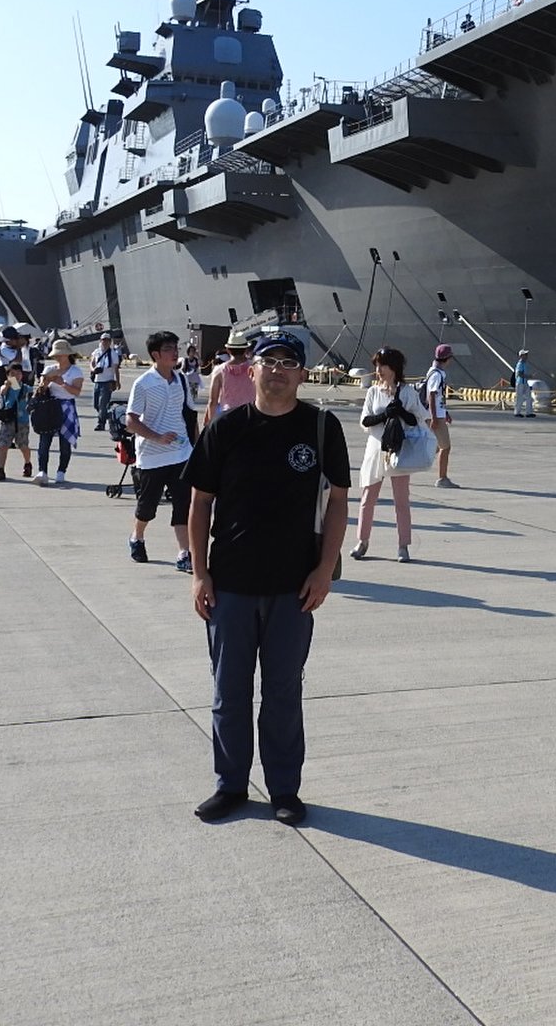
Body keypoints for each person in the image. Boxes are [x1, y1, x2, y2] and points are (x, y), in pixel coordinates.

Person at [183, 331, 349, 825]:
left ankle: (284, 791)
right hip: (230, 584)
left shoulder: (321, 427)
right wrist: (198, 574)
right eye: (267, 361)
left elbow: (339, 501)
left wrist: (324, 571)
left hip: (293, 588)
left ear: (301, 373)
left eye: (288, 362)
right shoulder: (226, 428)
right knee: (228, 691)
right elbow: (199, 503)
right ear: (249, 370)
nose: (277, 369)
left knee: (282, 692)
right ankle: (231, 785)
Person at [124, 330, 194, 568]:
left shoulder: (181, 379)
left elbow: (188, 415)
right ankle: (137, 537)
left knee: (183, 505)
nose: (175, 353)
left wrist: (195, 447)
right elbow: (131, 421)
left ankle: (184, 553)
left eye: (176, 348)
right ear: (155, 354)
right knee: (147, 508)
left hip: (182, 454)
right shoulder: (143, 383)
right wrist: (157, 437)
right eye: (168, 349)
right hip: (152, 457)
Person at [351, 347, 424, 563]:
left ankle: (403, 545)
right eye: (376, 365)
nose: (378, 370)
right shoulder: (373, 392)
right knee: (367, 499)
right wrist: (385, 414)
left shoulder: (408, 392)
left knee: (401, 501)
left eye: (382, 365)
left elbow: (418, 420)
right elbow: (365, 420)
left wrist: (401, 411)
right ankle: (362, 541)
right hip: (375, 449)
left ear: (394, 368)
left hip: (398, 451)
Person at [32, 339, 85, 486]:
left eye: (60, 355)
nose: (58, 358)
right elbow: (39, 391)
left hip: (67, 406)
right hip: (49, 406)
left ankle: (61, 471)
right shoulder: (49, 369)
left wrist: (62, 382)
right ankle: (42, 471)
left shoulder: (75, 371)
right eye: (56, 355)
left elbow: (76, 392)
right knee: (44, 439)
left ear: (68, 355)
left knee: (65, 442)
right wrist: (46, 383)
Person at [0, 362, 33, 481]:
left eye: (18, 373)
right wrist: (8, 384)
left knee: (23, 445)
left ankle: (27, 463)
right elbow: (2, 391)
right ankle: (0, 470)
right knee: (3, 445)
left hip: (22, 420)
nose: (16, 376)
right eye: (12, 374)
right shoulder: (6, 386)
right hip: (8, 420)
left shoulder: (25, 388)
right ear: (7, 375)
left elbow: (33, 393)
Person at [422, 343, 456, 487]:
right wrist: (435, 418)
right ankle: (442, 478)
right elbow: (432, 395)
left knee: (433, 447)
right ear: (447, 358)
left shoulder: (434, 372)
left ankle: (404, 467)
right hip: (435, 416)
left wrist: (445, 412)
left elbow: (437, 397)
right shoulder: (436, 374)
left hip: (437, 414)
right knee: (445, 447)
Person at [203, 330, 254, 419]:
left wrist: (211, 423)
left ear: (228, 350)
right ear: (246, 349)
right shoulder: (255, 367)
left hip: (227, 417)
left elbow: (213, 401)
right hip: (251, 416)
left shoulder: (219, 370)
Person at [90, 332, 125, 430]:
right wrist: (93, 369)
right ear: (100, 341)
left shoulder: (113, 354)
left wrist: (117, 381)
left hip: (107, 381)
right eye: (103, 340)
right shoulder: (96, 352)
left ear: (110, 342)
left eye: (107, 340)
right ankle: (107, 415)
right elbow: (92, 362)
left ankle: (101, 423)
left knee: (102, 404)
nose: (105, 342)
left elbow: (116, 368)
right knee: (96, 404)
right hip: (98, 381)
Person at [513, 348, 535, 418]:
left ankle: (529, 412)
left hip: (525, 382)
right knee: (519, 398)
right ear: (521, 356)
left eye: (526, 354)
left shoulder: (524, 364)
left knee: (529, 397)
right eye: (525, 354)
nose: (526, 356)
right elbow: (519, 374)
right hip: (520, 383)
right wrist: (529, 376)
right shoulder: (520, 364)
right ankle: (517, 412)